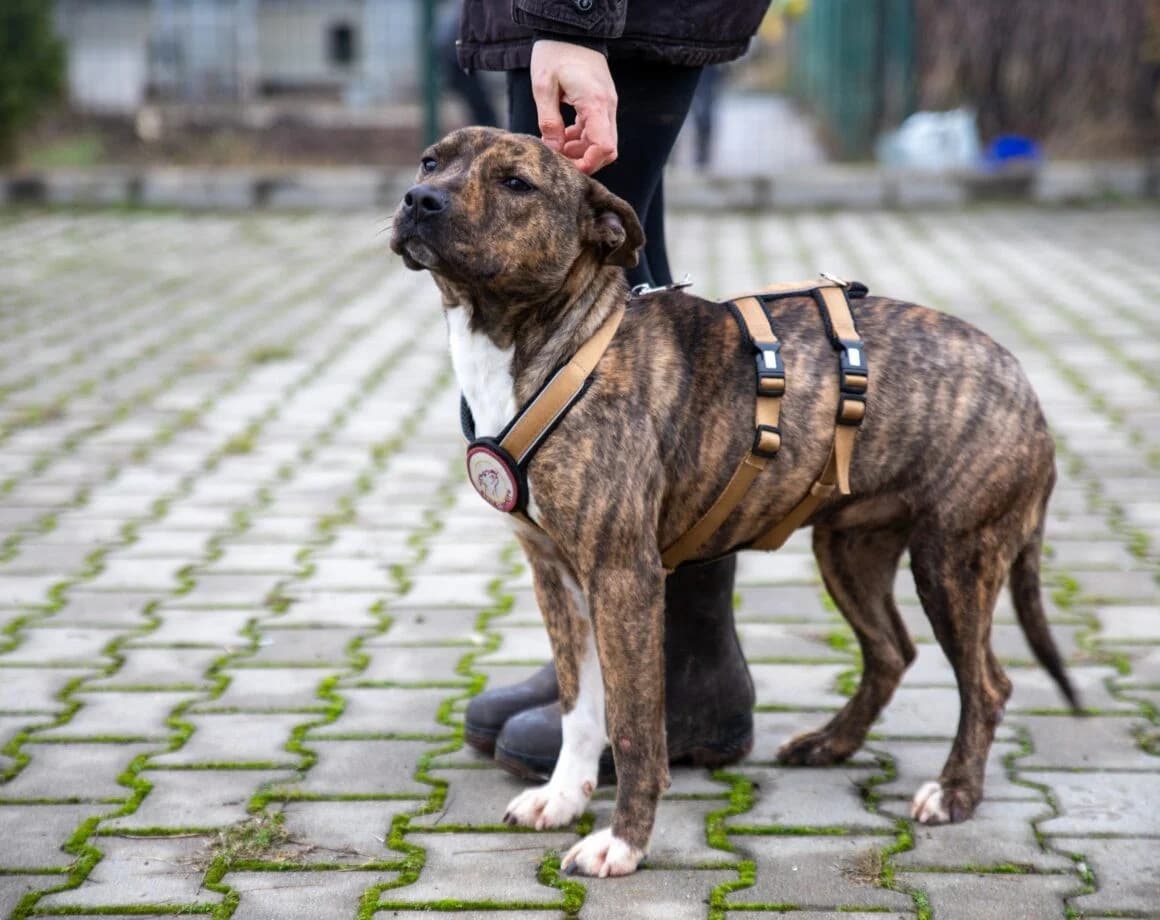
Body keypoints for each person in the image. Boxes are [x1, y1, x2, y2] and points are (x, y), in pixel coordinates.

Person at [456, 0, 772, 782]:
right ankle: (625, 665)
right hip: (568, 18)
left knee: (578, 258)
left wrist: (573, 22)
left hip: (608, 16)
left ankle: (668, 672)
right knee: (631, 260)